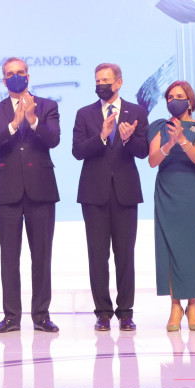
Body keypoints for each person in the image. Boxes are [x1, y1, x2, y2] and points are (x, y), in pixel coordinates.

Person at [0, 57, 61, 334]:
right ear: (4, 80)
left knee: (42, 256)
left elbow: (54, 139)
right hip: (8, 191)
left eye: (20, 72)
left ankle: (41, 315)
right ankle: (11, 317)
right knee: (9, 257)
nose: (16, 76)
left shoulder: (47, 106)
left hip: (41, 189)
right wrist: (13, 124)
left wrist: (32, 120)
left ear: (28, 76)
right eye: (10, 74)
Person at [72, 62, 149, 332]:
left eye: (105, 80)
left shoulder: (136, 112)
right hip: (94, 195)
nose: (101, 85)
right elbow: (77, 151)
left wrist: (128, 139)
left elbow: (143, 151)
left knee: (125, 255)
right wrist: (102, 136)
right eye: (97, 81)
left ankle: (125, 312)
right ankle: (102, 313)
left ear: (118, 83)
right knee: (97, 256)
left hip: (125, 193)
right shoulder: (84, 114)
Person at [148, 80, 195, 331]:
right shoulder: (159, 127)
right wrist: (168, 144)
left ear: (189, 101)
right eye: (170, 97)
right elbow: (152, 161)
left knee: (191, 248)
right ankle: (175, 305)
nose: (173, 100)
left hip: (191, 193)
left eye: (179, 96)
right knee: (169, 248)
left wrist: (182, 139)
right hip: (167, 191)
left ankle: (193, 305)